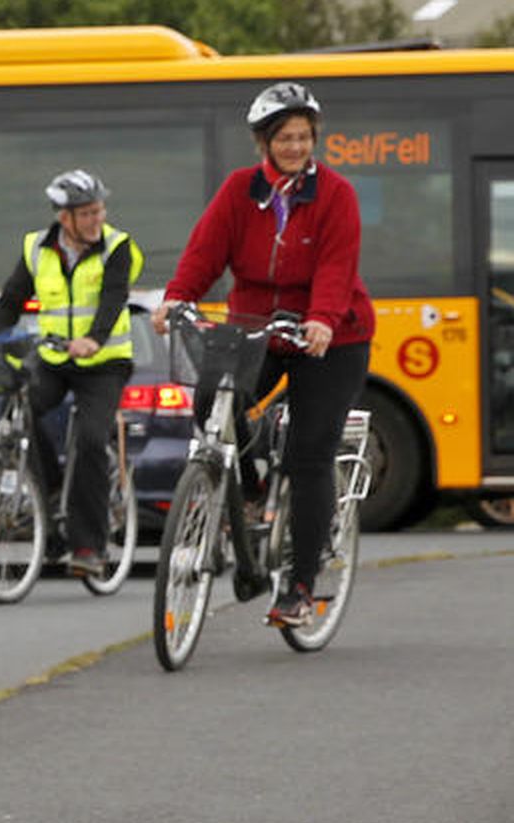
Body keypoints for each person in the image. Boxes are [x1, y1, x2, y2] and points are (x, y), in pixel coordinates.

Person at [152, 81, 374, 628]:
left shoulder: (336, 195)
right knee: (210, 398)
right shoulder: (238, 191)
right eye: (285, 138)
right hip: (256, 327)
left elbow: (337, 266)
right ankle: (248, 491)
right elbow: (205, 252)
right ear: (264, 143)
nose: (296, 146)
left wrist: (322, 318)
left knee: (308, 456)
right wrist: (177, 297)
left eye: (304, 137)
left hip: (331, 336)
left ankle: (299, 587)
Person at [0, 168, 143, 580]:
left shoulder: (117, 247)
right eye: (87, 214)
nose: (96, 220)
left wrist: (93, 338)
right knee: (20, 410)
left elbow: (113, 298)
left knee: (90, 440)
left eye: (99, 211)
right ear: (64, 217)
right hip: (55, 359)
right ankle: (50, 493)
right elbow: (10, 299)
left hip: (104, 362)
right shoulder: (37, 248)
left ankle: (88, 545)